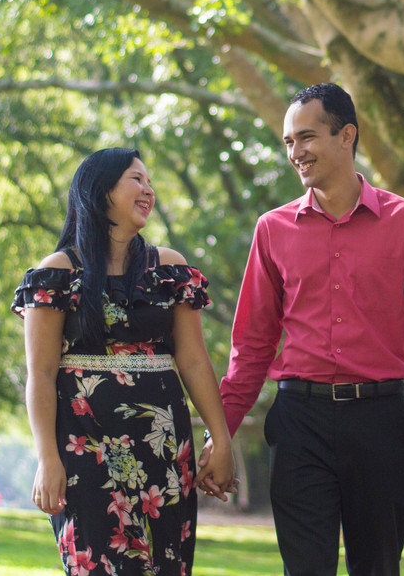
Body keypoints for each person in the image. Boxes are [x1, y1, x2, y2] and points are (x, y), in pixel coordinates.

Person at [204, 83, 404, 576]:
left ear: (347, 135)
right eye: (289, 141)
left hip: (379, 422)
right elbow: (251, 345)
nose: (296, 152)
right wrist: (222, 432)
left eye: (307, 137)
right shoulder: (272, 229)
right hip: (299, 423)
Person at [12, 147, 236, 575]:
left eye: (150, 182)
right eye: (137, 179)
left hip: (163, 446)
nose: (148, 190)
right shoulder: (57, 273)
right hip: (84, 447)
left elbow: (193, 361)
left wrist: (220, 440)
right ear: (101, 191)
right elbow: (40, 373)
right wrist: (47, 458)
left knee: (165, 565)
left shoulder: (170, 269)